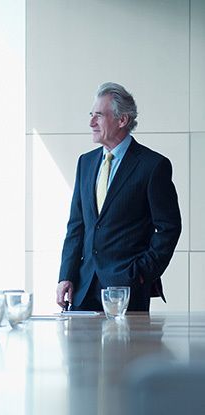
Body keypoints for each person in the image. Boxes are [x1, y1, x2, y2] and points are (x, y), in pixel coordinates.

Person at [56, 82, 182, 312]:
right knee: (78, 349)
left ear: (122, 120)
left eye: (99, 116)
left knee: (126, 349)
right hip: (83, 288)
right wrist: (66, 275)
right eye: (91, 115)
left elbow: (169, 228)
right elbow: (76, 226)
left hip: (127, 289)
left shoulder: (153, 166)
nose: (91, 122)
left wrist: (141, 273)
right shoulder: (85, 163)